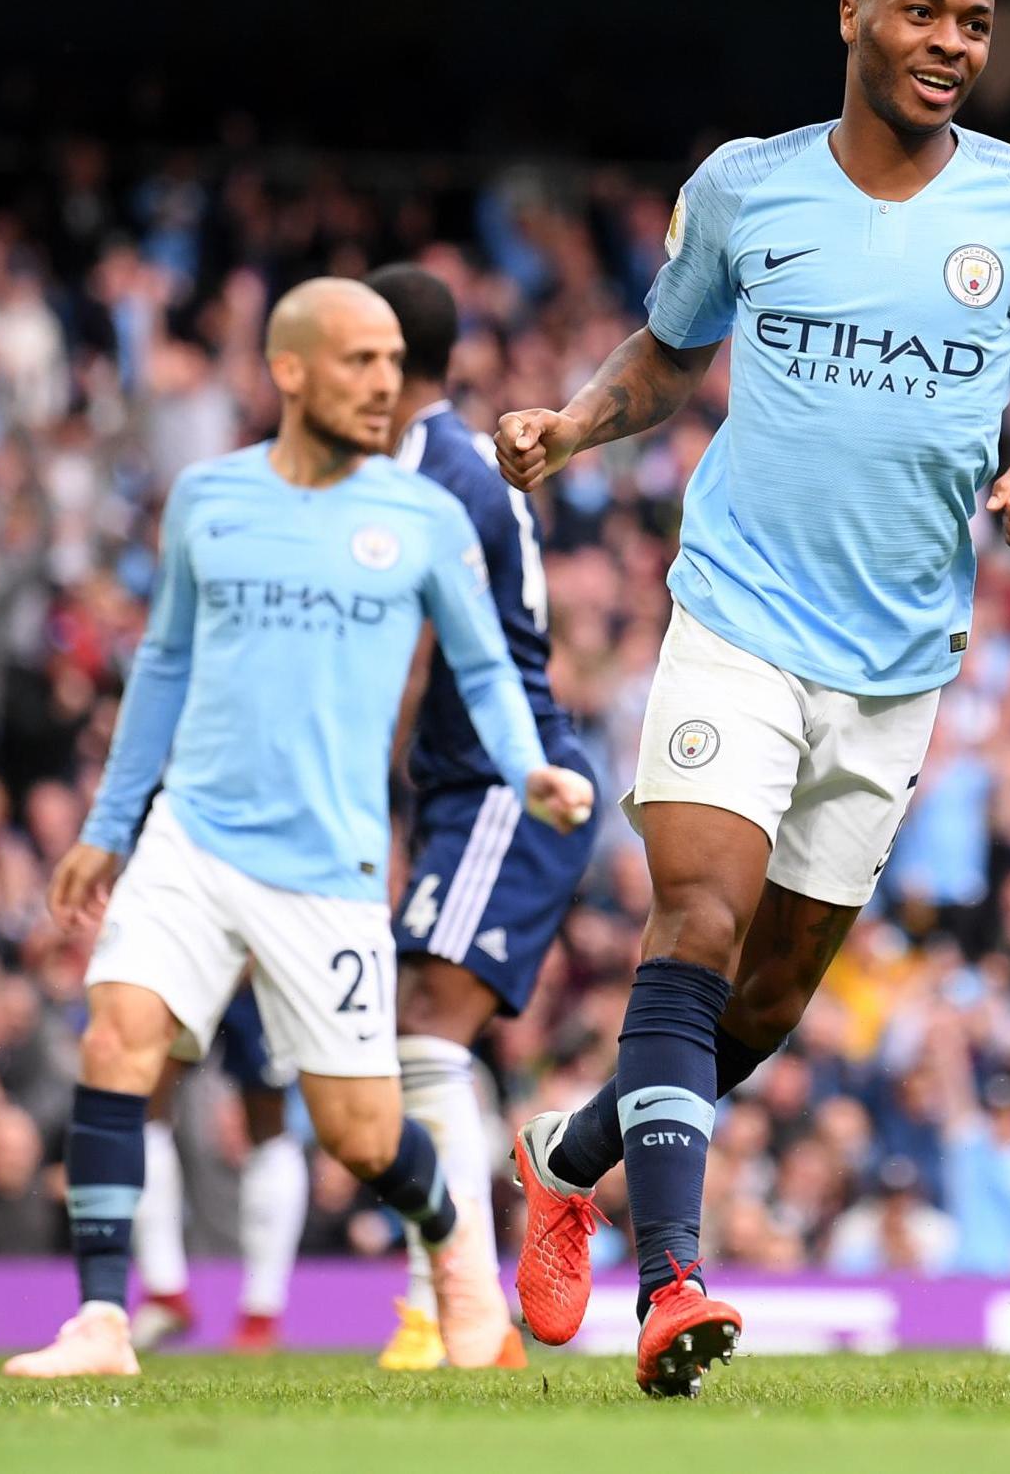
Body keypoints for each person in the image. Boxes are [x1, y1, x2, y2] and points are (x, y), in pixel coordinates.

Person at [494, 0, 1010, 1395]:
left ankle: (569, 1155)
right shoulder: (746, 186)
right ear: (854, 18)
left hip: (898, 661)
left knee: (766, 1004)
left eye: (974, 25)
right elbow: (668, 351)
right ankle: (671, 1283)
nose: (953, 46)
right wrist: (576, 423)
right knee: (697, 926)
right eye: (924, 14)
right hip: (737, 616)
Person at [3, 277, 595, 1378]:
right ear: (289, 372)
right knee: (117, 1037)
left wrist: (531, 768)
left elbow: (485, 663)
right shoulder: (208, 497)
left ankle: (459, 1253)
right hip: (193, 831)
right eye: (358, 361)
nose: (385, 384)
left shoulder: (424, 512)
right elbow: (165, 663)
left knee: (362, 1135)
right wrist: (110, 823)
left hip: (325, 868)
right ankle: (100, 1320)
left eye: (390, 362)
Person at [369, 262, 600, 1372]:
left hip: (506, 785)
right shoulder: (448, 465)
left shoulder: (430, 476)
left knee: (422, 1029)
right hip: (474, 787)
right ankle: (452, 1312)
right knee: (422, 1032)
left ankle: (448, 1314)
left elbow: (412, 652)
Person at [129, 988, 307, 1355]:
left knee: (267, 1120)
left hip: (259, 963)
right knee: (142, 1097)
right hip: (187, 955)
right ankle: (165, 1291)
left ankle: (262, 1313)